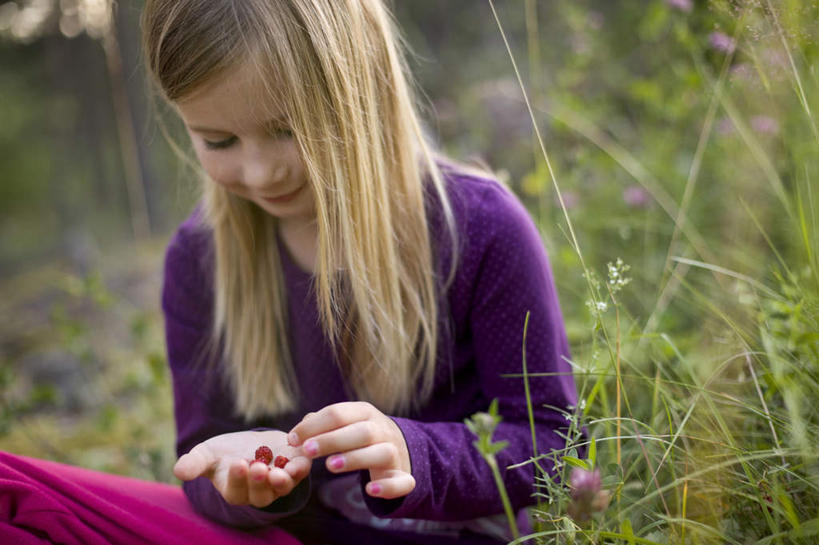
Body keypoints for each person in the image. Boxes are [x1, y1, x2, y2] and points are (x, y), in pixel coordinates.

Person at [0, 1, 577, 544]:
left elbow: (553, 444)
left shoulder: (478, 229)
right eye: (218, 140)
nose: (260, 172)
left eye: (288, 129)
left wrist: (413, 452)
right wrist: (248, 486)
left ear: (363, 85)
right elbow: (200, 457)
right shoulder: (200, 261)